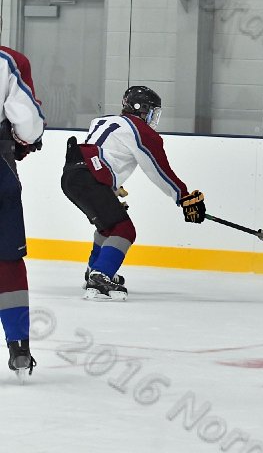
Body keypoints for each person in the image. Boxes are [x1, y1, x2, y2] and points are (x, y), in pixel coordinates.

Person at [60, 86, 207, 301]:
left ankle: (96, 268)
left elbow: (100, 150)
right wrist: (183, 197)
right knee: (124, 229)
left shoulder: (104, 121)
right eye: (152, 111)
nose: (152, 118)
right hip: (90, 177)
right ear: (142, 109)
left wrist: (110, 187)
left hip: (72, 175)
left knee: (109, 224)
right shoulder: (140, 130)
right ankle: (100, 276)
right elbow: (157, 168)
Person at [0, 45, 44, 378]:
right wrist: (23, 140)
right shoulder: (8, 60)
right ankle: (19, 347)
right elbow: (28, 123)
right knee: (8, 261)